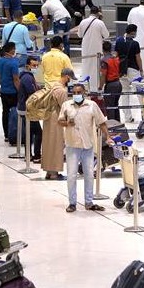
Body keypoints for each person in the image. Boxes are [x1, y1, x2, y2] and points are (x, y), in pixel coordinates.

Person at [58, 81, 113, 213]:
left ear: (84, 93)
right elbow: (59, 121)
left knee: (89, 174)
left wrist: (108, 136)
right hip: (72, 146)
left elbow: (102, 122)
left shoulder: (92, 105)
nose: (76, 95)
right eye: (74, 93)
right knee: (71, 175)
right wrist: (67, 123)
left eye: (79, 92)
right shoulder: (67, 105)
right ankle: (72, 203)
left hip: (87, 145)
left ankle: (89, 202)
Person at [41, 68, 74, 180]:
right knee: (56, 145)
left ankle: (49, 171)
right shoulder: (61, 90)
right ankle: (54, 173)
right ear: (67, 77)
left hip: (48, 118)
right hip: (57, 119)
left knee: (48, 144)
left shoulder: (53, 85)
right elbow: (65, 107)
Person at [75, 5, 109, 91]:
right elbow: (106, 35)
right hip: (97, 49)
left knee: (86, 66)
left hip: (86, 48)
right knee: (96, 68)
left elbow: (79, 35)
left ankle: (85, 87)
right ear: (98, 13)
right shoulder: (100, 23)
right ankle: (95, 88)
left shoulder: (83, 22)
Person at [115, 24, 143, 124]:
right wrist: (141, 70)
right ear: (133, 32)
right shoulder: (135, 44)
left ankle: (127, 117)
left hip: (122, 70)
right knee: (140, 92)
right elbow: (138, 58)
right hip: (133, 70)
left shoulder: (119, 40)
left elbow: (116, 56)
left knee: (125, 92)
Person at [18, 56, 42, 162]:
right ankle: (36, 155)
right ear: (28, 65)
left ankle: (29, 154)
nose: (35, 67)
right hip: (28, 109)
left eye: (37, 65)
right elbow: (32, 94)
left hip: (25, 108)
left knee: (30, 131)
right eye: (33, 65)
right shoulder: (27, 78)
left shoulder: (27, 76)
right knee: (38, 132)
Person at [0, 43, 20, 143]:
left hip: (4, 91)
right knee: (14, 113)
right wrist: (20, 91)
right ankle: (13, 133)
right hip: (13, 92)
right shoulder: (13, 63)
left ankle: (6, 134)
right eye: (14, 49)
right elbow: (16, 79)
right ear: (11, 50)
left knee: (5, 112)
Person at [99, 41, 122, 122]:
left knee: (110, 107)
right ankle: (118, 124)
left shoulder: (104, 60)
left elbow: (103, 75)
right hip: (118, 84)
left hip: (110, 85)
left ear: (103, 49)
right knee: (116, 106)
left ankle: (112, 127)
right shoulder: (115, 58)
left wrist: (100, 87)